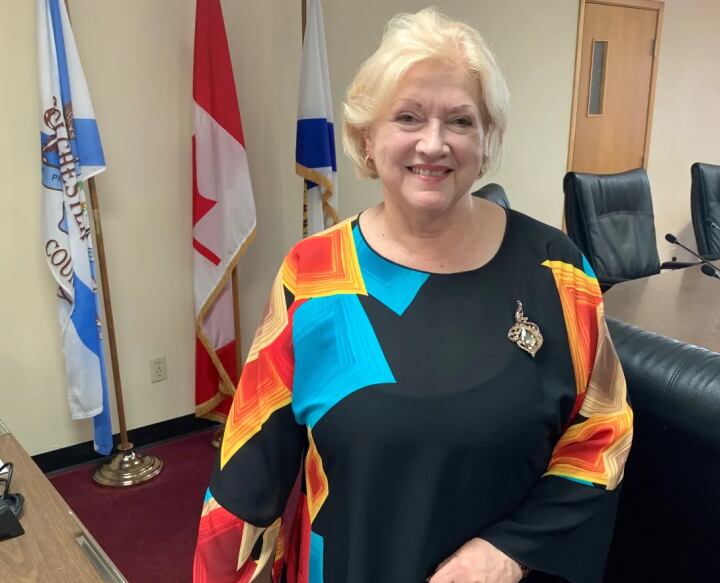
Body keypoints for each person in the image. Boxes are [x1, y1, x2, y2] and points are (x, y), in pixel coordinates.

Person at [193, 7, 632, 583]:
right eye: (407, 117)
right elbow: (249, 474)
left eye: (460, 121)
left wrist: (508, 552)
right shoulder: (315, 274)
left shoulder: (557, 271)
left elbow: (602, 432)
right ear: (367, 139)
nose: (434, 144)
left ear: (485, 139)